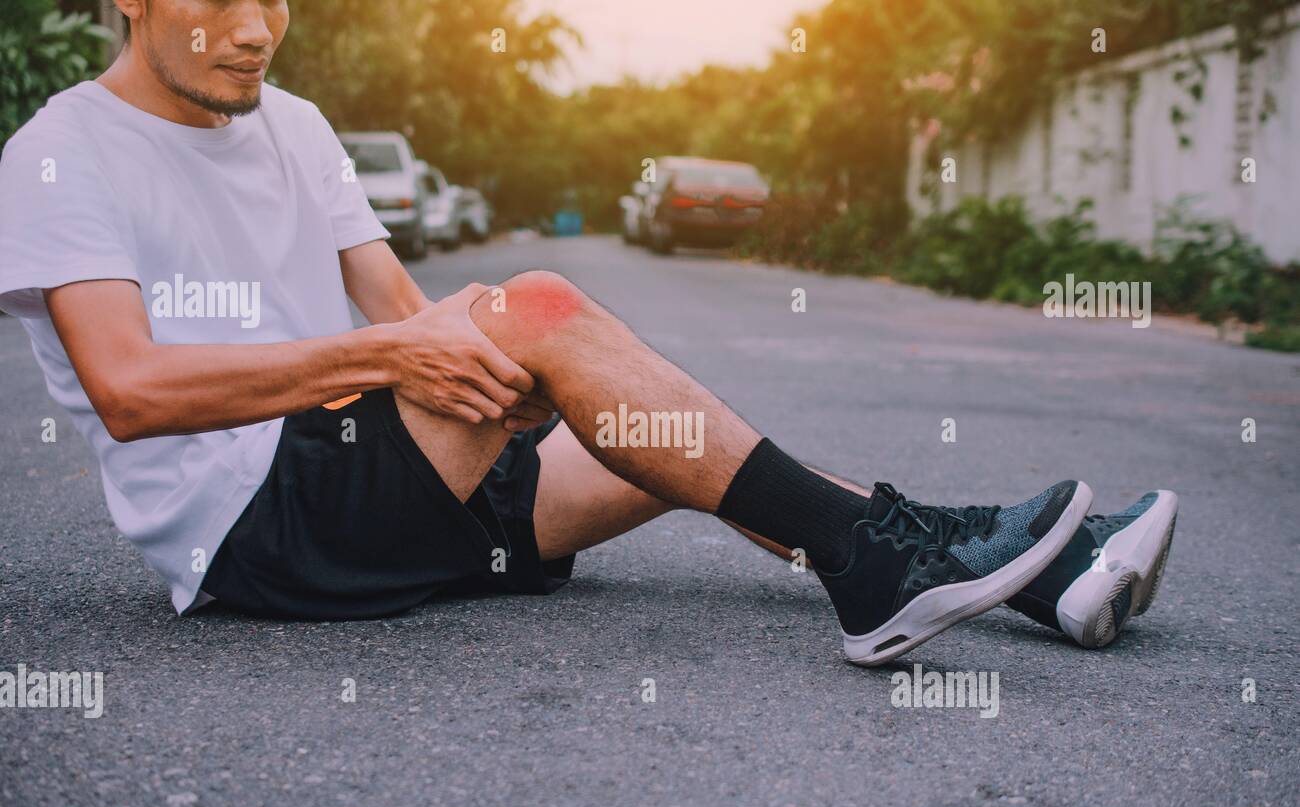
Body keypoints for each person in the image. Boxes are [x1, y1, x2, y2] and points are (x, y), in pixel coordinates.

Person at [0, 0, 1177, 666]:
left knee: (666, 432)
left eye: (278, 0)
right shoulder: (62, 152)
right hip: (257, 530)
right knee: (548, 304)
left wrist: (485, 374)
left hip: (380, 473)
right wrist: (414, 356)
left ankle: (1034, 576)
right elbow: (132, 389)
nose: (257, 28)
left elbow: (409, 315)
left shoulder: (295, 125)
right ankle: (883, 572)